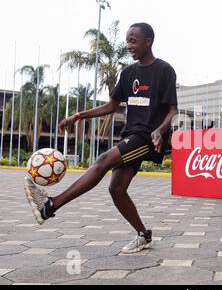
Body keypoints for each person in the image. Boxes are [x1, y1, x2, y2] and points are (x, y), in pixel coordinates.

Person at [23, 22, 178, 254]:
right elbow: (112, 105)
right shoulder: (128, 73)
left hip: (147, 139)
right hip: (131, 135)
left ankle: (51, 205)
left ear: (149, 41)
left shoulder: (164, 70)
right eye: (127, 41)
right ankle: (143, 235)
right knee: (116, 189)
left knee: (102, 160)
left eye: (133, 40)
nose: (128, 45)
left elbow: (172, 110)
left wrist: (160, 130)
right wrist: (79, 115)